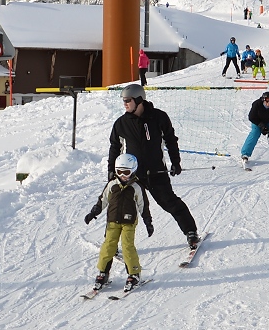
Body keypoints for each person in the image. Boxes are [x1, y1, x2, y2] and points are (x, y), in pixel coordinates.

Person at [109, 83, 200, 250]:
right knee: (122, 208)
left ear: (138, 99)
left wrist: (176, 162)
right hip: (133, 175)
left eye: (128, 100)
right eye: (123, 100)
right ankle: (112, 244)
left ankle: (191, 232)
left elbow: (171, 140)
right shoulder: (121, 123)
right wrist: (111, 170)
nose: (125, 104)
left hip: (156, 172)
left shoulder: (159, 117)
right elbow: (115, 147)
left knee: (170, 203)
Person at [84, 153, 152, 292]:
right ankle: (103, 273)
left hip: (129, 222)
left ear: (133, 170)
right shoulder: (112, 185)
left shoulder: (137, 187)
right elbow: (102, 201)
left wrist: (148, 221)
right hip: (112, 221)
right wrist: (93, 213)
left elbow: (143, 205)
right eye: (119, 172)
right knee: (108, 246)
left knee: (127, 246)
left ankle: (134, 274)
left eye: (126, 172)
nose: (122, 175)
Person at [239, 89, 269, 169]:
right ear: (263, 100)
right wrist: (261, 125)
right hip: (258, 121)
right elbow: (251, 117)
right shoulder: (256, 104)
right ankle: (245, 154)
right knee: (254, 133)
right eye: (268, 102)